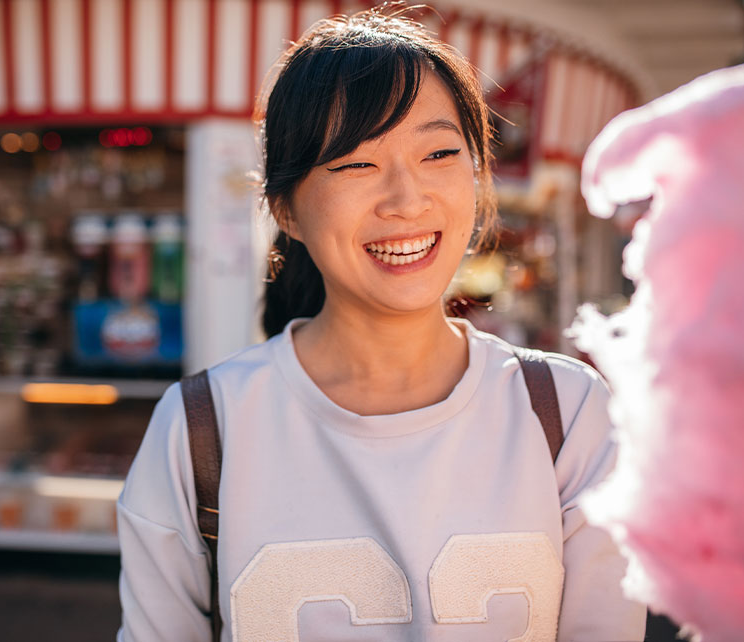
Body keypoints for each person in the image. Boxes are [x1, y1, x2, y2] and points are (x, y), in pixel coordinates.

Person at [116, 5, 646, 641]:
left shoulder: (568, 414)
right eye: (355, 164)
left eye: (440, 153)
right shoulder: (201, 430)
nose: (407, 199)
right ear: (285, 208)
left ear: (478, 179)